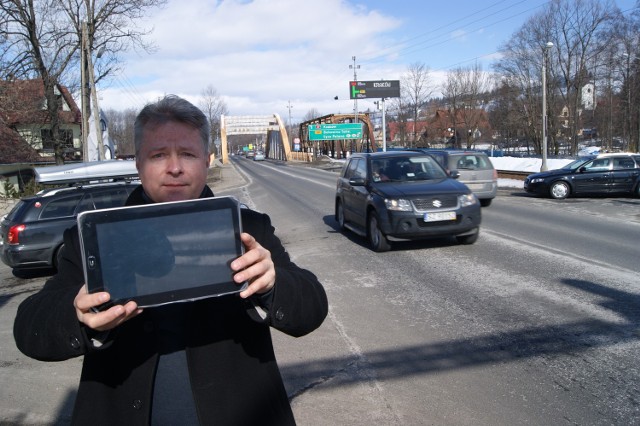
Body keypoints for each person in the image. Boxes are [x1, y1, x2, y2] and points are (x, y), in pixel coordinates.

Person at [13, 95, 328, 425]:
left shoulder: (249, 229)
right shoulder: (94, 237)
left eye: (188, 154)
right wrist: (76, 315)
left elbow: (313, 308)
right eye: (159, 154)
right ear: (138, 163)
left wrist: (274, 285)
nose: (174, 167)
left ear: (207, 160)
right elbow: (28, 329)